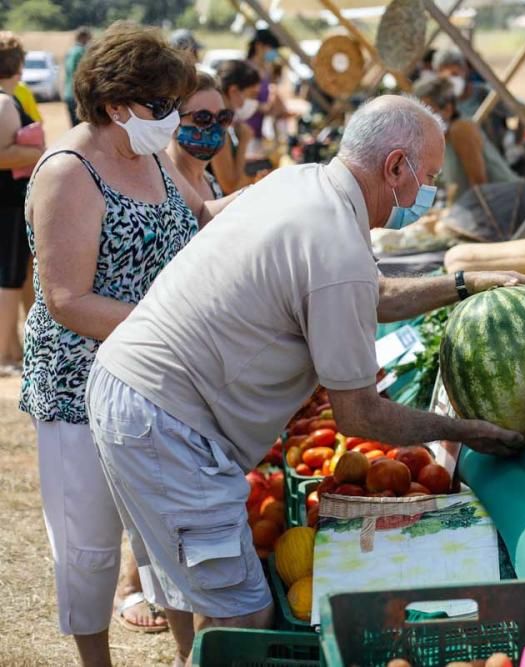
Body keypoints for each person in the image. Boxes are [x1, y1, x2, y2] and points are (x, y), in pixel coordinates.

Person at [86, 95, 525, 635]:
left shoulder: (300, 182)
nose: (431, 194)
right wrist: (464, 432)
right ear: (395, 167)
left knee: (189, 592)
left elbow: (374, 291)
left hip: (133, 393)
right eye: (430, 177)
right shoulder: (336, 243)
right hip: (167, 422)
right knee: (244, 615)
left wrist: (465, 282)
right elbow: (360, 417)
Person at [21, 22, 242, 667]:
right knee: (89, 546)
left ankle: (185, 655)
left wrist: (276, 203)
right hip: (79, 390)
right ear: (118, 104)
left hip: (154, 383)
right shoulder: (69, 171)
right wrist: (169, 329)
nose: (173, 118)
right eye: (162, 106)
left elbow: (199, 217)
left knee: (166, 539)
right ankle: (96, 659)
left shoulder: (148, 156)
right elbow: (66, 299)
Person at [0, 32, 43, 376]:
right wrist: (42, 152)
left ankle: (15, 349)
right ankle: (6, 355)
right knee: (10, 278)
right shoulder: (4, 103)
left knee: (17, 276)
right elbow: (4, 155)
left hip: (12, 204)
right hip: (9, 204)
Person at [413, 75, 519, 201]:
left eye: (427, 111)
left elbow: (479, 186)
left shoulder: (461, 130)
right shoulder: (442, 140)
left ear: (448, 109)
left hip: (510, 205)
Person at [167, 72, 231, 200]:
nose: (215, 126)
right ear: (172, 120)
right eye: (202, 118)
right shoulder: (160, 183)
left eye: (223, 117)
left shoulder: (209, 180)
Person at [211, 59, 261, 194]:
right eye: (252, 95)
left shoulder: (223, 122)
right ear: (234, 91)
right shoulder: (217, 126)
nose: (254, 102)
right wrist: (244, 142)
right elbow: (229, 185)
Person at [243, 28, 287, 177]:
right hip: (245, 134)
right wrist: (263, 107)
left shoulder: (266, 71)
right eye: (271, 48)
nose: (272, 53)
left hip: (258, 134)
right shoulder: (247, 69)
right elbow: (243, 102)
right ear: (259, 46)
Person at [64, 27, 91, 127]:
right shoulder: (81, 52)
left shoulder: (70, 51)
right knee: (82, 127)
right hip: (78, 95)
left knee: (73, 127)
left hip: (68, 93)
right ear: (84, 37)